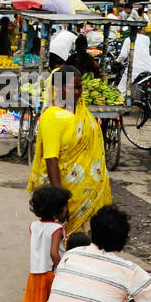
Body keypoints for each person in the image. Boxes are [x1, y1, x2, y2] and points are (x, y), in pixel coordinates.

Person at [26, 67, 112, 235]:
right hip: (69, 195)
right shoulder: (52, 116)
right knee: (68, 243)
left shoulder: (82, 112)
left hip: (91, 193)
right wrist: (61, 202)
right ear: (58, 87)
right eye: (72, 87)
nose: (78, 92)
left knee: (91, 242)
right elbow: (51, 159)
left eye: (80, 87)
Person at [20, 184, 71, 302]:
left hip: (36, 273)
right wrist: (62, 267)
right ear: (59, 210)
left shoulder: (34, 226)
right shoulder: (56, 229)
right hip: (50, 274)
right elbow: (54, 253)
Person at [116, 28, 151, 96]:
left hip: (135, 69)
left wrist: (117, 61)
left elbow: (123, 55)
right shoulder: (146, 38)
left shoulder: (128, 39)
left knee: (121, 91)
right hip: (149, 68)